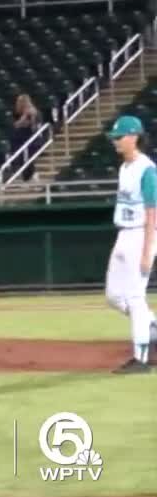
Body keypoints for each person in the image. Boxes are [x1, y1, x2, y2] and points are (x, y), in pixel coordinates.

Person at [103, 115, 157, 373]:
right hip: (124, 234)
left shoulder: (147, 169)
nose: (115, 141)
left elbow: (152, 212)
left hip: (141, 234)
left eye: (119, 137)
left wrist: (147, 251)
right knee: (113, 296)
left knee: (135, 297)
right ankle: (151, 327)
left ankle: (141, 359)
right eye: (114, 137)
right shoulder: (124, 168)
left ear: (134, 137)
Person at [10, 94, 42, 181]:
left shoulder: (34, 112)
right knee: (21, 158)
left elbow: (34, 127)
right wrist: (24, 116)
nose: (22, 104)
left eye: (24, 102)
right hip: (19, 138)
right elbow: (16, 125)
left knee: (28, 158)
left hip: (31, 138)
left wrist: (32, 117)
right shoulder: (16, 113)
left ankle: (34, 175)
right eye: (20, 102)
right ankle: (26, 178)